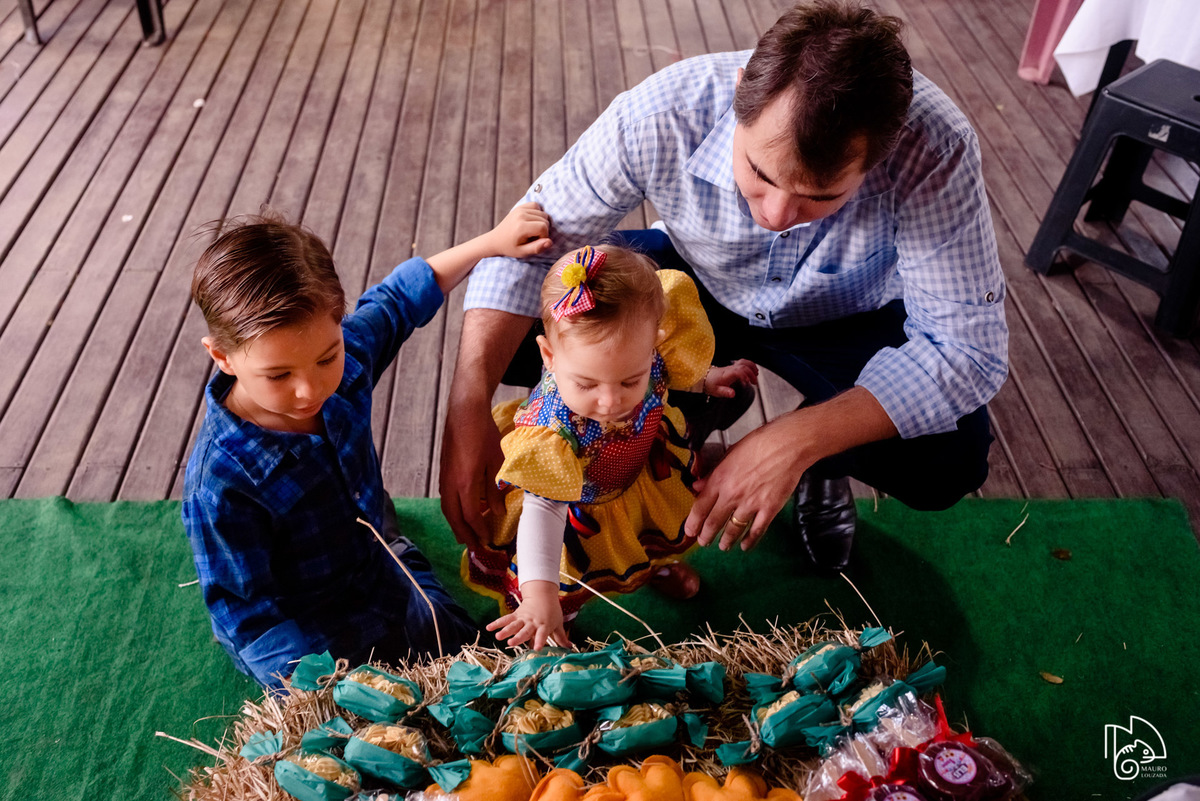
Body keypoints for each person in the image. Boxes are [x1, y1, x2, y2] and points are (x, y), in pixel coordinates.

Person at [439, 1, 1008, 574]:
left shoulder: (934, 147)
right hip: (696, 281)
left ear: (887, 150)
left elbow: (967, 350)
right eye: (760, 173)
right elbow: (529, 246)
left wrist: (796, 441)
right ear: (740, 94)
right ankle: (670, 431)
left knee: (946, 462)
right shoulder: (662, 111)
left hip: (848, 313)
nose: (777, 216)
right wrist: (467, 408)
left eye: (820, 196)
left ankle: (817, 463)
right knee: (532, 334)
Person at [183, 202, 551, 688]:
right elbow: (249, 616)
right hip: (306, 618)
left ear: (339, 324)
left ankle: (394, 540)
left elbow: (398, 299)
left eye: (326, 358)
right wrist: (316, 690)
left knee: (476, 662)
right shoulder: (219, 482)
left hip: (377, 560)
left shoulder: (349, 356)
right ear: (222, 356)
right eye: (278, 375)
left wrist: (490, 243)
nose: (310, 390)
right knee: (377, 707)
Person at [464, 244, 757, 649]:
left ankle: (650, 570)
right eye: (586, 384)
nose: (611, 401)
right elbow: (543, 512)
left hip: (637, 482)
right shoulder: (551, 433)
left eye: (630, 380)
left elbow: (666, 372)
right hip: (572, 513)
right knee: (564, 587)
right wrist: (540, 594)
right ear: (549, 355)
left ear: (653, 344)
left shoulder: (648, 353)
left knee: (648, 537)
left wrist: (706, 378)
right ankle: (552, 618)